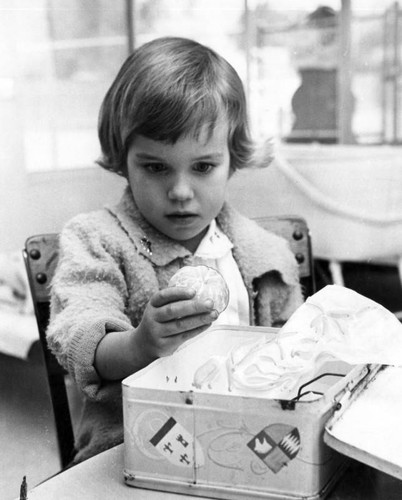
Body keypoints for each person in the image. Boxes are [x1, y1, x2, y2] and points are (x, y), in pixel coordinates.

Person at [47, 36, 303, 465]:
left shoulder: (267, 255)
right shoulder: (97, 241)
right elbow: (77, 333)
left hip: (248, 454)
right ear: (122, 159)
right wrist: (139, 345)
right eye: (155, 167)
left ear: (232, 159)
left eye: (203, 167)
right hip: (131, 454)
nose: (180, 192)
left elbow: (299, 358)